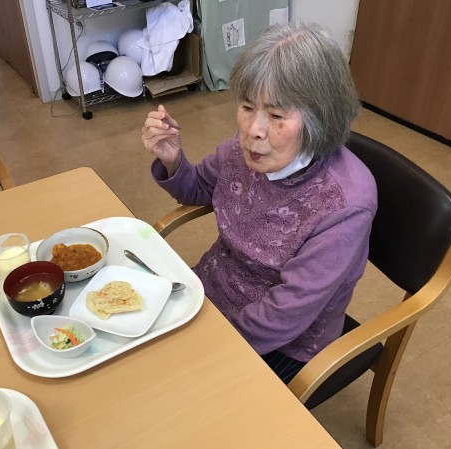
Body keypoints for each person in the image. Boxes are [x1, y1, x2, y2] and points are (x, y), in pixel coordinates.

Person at [141, 23, 378, 383]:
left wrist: (203, 342)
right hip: (210, 291)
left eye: (277, 116)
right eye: (248, 106)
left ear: (321, 117)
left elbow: (285, 315)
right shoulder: (246, 149)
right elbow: (200, 188)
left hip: (282, 341)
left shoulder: (344, 205)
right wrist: (173, 159)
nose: (254, 129)